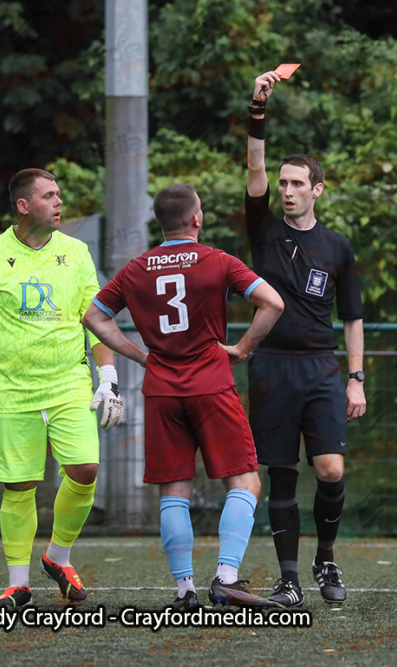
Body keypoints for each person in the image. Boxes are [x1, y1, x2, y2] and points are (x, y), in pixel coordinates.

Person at [81, 183, 285, 610]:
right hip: (212, 385)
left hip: (160, 389)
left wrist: (139, 354)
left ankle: (185, 590)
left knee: (174, 489)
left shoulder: (136, 269)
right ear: (196, 218)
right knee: (245, 479)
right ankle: (226, 578)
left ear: (161, 222)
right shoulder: (217, 261)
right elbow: (273, 303)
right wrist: (242, 349)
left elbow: (94, 317)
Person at [0, 168, 125, 609]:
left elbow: (97, 319)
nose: (59, 202)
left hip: (67, 384)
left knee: (85, 469)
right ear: (24, 206)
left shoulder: (77, 252)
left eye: (59, 194)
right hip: (9, 391)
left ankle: (57, 557)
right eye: (49, 196)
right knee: (19, 485)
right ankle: (17, 583)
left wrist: (109, 379)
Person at [242, 71, 367, 607]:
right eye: (283, 183)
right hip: (271, 367)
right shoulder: (263, 230)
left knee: (331, 469)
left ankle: (327, 557)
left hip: (321, 368)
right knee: (282, 473)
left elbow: (354, 317)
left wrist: (357, 378)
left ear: (316, 190)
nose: (287, 190)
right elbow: (254, 165)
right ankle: (289, 577)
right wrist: (257, 111)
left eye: (297, 184)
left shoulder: (338, 246)